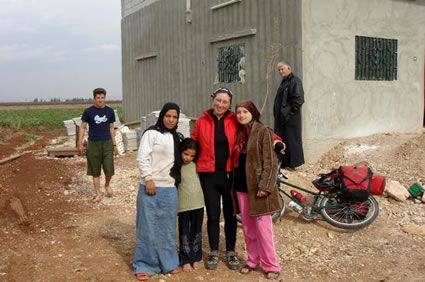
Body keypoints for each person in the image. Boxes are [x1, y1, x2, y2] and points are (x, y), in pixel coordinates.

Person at [191, 87, 241, 270]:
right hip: (209, 175)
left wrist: (276, 141)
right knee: (212, 214)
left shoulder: (235, 120)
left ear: (229, 104)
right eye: (218, 100)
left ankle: (231, 251)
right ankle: (213, 251)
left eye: (225, 102)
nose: (220, 104)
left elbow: (255, 131)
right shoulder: (202, 121)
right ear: (213, 100)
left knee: (230, 215)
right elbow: (193, 142)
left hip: (229, 175)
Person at [232, 100, 281, 280]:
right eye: (238, 112)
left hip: (258, 189)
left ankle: (271, 264)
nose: (241, 115)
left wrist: (265, 186)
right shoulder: (239, 133)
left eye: (245, 111)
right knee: (248, 228)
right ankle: (253, 260)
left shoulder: (263, 131)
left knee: (263, 228)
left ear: (253, 112)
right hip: (241, 187)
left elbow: (270, 161)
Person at [133, 102, 182, 281]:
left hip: (169, 188)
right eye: (168, 116)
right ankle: (144, 264)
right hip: (150, 187)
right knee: (147, 227)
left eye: (175, 117)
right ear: (162, 116)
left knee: (167, 228)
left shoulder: (176, 136)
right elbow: (142, 157)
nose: (171, 120)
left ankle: (168, 263)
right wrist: (148, 179)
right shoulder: (151, 134)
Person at [78, 88, 118, 203]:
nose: (100, 100)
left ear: (104, 98)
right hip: (93, 143)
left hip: (107, 143)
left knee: (109, 168)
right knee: (95, 170)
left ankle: (107, 184)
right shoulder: (88, 111)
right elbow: (83, 127)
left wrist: (114, 145)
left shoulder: (110, 111)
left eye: (102, 97)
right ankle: (98, 194)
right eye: (98, 98)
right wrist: (80, 143)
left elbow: (111, 127)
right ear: (94, 98)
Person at [177, 138, 205, 272]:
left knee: (197, 231)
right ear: (180, 151)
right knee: (184, 232)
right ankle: (185, 259)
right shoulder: (176, 167)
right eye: (186, 154)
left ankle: (196, 257)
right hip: (183, 206)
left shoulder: (197, 165)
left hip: (198, 203)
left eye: (192, 155)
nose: (188, 158)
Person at [273, 61, 305, 170]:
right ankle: (284, 163)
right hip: (283, 118)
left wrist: (289, 113)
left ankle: (293, 164)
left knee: (292, 140)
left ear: (289, 69)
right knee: (284, 139)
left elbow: (298, 100)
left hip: (290, 118)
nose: (281, 71)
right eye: (279, 70)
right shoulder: (285, 81)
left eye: (283, 69)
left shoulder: (295, 81)